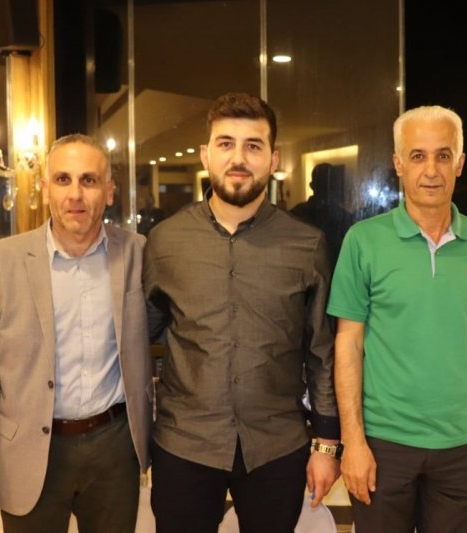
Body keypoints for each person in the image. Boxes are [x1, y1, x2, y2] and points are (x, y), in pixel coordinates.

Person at [144, 92, 340, 533]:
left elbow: (321, 351)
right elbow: (137, 337)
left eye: (253, 146)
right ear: (206, 155)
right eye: (226, 144)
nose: (238, 158)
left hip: (276, 445)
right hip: (184, 443)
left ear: (273, 159)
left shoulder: (307, 245)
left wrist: (327, 444)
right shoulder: (164, 242)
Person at [0, 134, 153, 533]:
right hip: (29, 450)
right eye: (62, 179)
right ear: (45, 190)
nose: (75, 194)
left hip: (114, 448)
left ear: (109, 192)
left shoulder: (138, 252)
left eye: (89, 180)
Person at [327, 105, 467, 532]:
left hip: (463, 445)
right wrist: (353, 441)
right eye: (418, 156)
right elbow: (348, 343)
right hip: (385, 443)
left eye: (443, 156)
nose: (431, 170)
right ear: (398, 164)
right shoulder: (363, 241)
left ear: (460, 163)